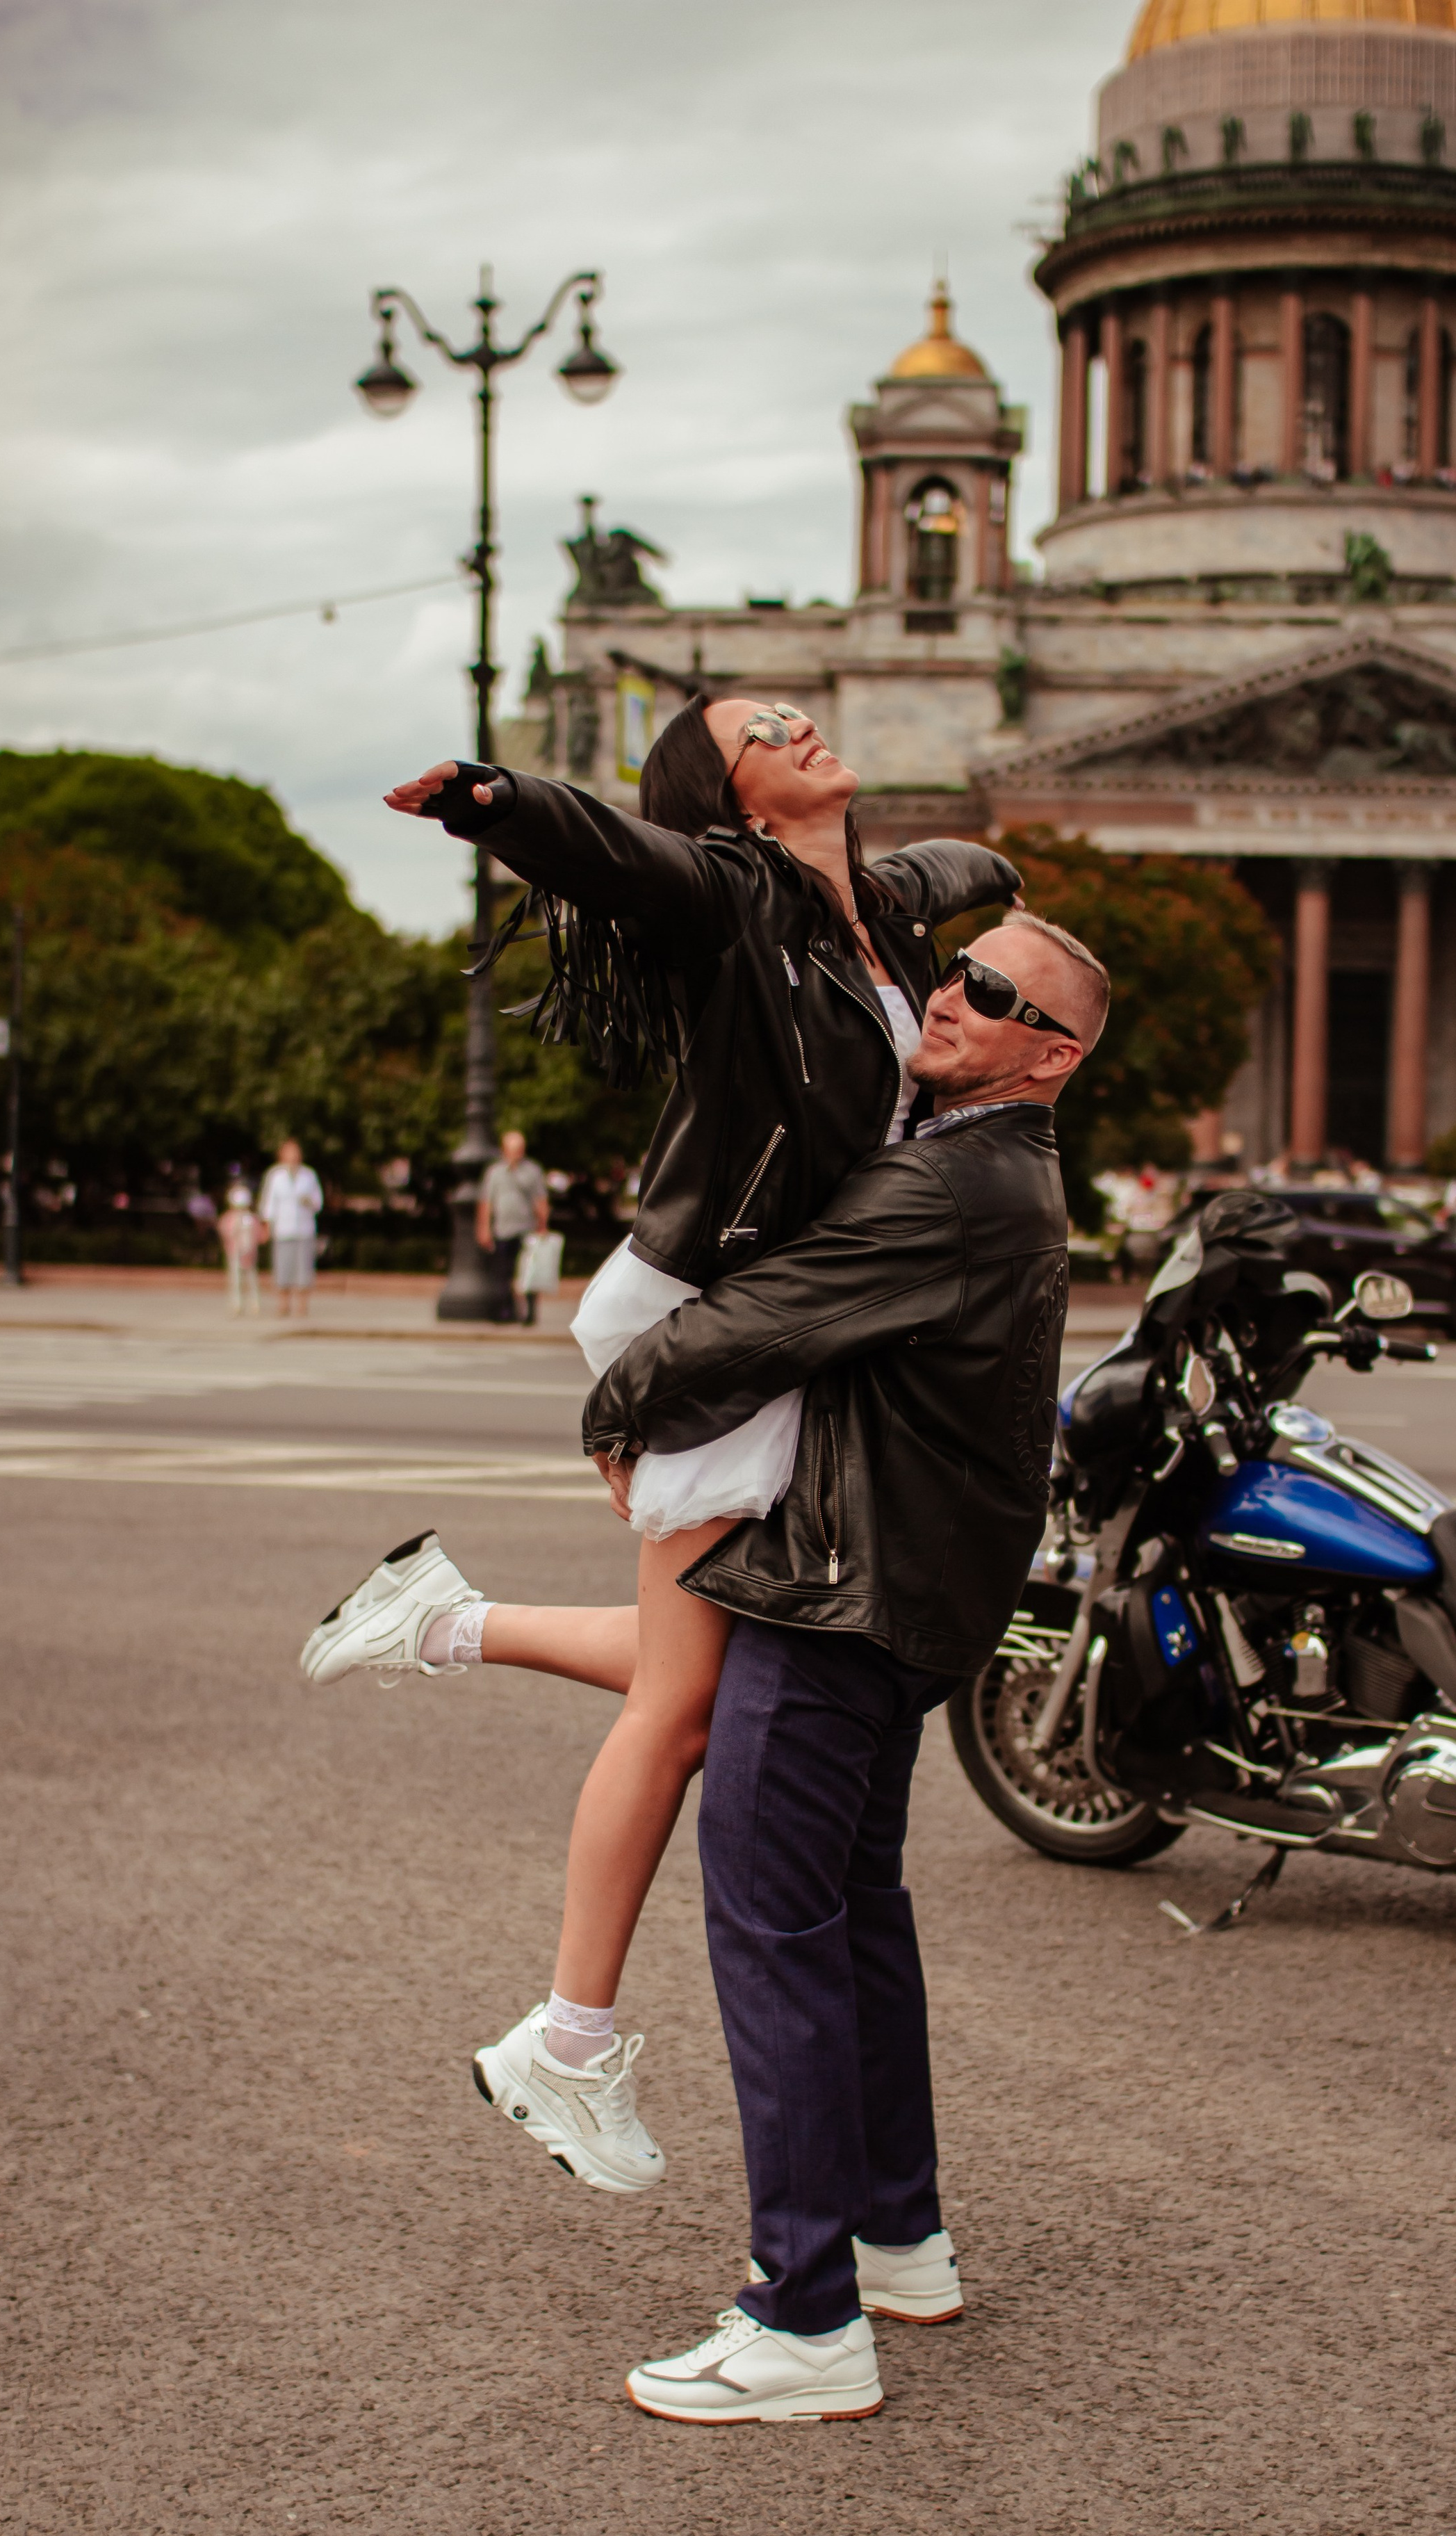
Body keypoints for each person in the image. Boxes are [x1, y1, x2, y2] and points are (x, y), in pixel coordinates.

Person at [300, 697, 1020, 2188]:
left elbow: (962, 870)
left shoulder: (872, 914)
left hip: (773, 1319)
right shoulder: (737, 896)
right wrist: (495, 803)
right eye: (765, 725)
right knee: (694, 1704)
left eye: (799, 705)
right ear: (732, 799)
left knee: (735, 1660)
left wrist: (999, 903)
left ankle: (445, 1619)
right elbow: (627, 864)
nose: (801, 719)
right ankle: (562, 2047)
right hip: (708, 1322)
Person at [584, 914, 1104, 2419]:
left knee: (773, 1933)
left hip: (838, 1592)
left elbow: (766, 1313)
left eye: (993, 995)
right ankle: (896, 2238)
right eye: (955, 972)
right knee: (851, 1919)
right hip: (908, 1592)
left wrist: (617, 1399)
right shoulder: (997, 1170)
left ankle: (801, 2319)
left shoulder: (947, 1179)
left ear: (1053, 1053)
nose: (952, 997)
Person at [477, 1128, 550, 1325]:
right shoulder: (495, 1173)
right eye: (512, 1149)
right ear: (504, 1150)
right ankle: (506, 1311)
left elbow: (541, 1200)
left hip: (527, 1230)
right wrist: (484, 1228)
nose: (516, 1153)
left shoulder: (532, 1171)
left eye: (519, 1149)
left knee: (529, 1274)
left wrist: (543, 1226)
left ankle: (530, 1313)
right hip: (503, 1230)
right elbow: (487, 1203)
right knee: (504, 1274)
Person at [258, 1139, 323, 1319]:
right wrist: (266, 1227)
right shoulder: (275, 1176)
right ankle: (283, 1305)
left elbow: (318, 1202)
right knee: (283, 1267)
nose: (294, 1156)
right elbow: (269, 1203)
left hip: (304, 1228)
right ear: (282, 1155)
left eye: (296, 1152)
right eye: (289, 1152)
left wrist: (309, 1202)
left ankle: (302, 1306)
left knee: (304, 1268)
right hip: (283, 1229)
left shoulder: (309, 1175)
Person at [217, 1179, 261, 1316]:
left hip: (249, 1252)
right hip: (234, 1252)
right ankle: (237, 1303)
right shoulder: (229, 1218)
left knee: (251, 1279)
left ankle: (254, 1303)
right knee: (235, 1279)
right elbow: (225, 1231)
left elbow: (257, 1234)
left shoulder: (251, 1218)